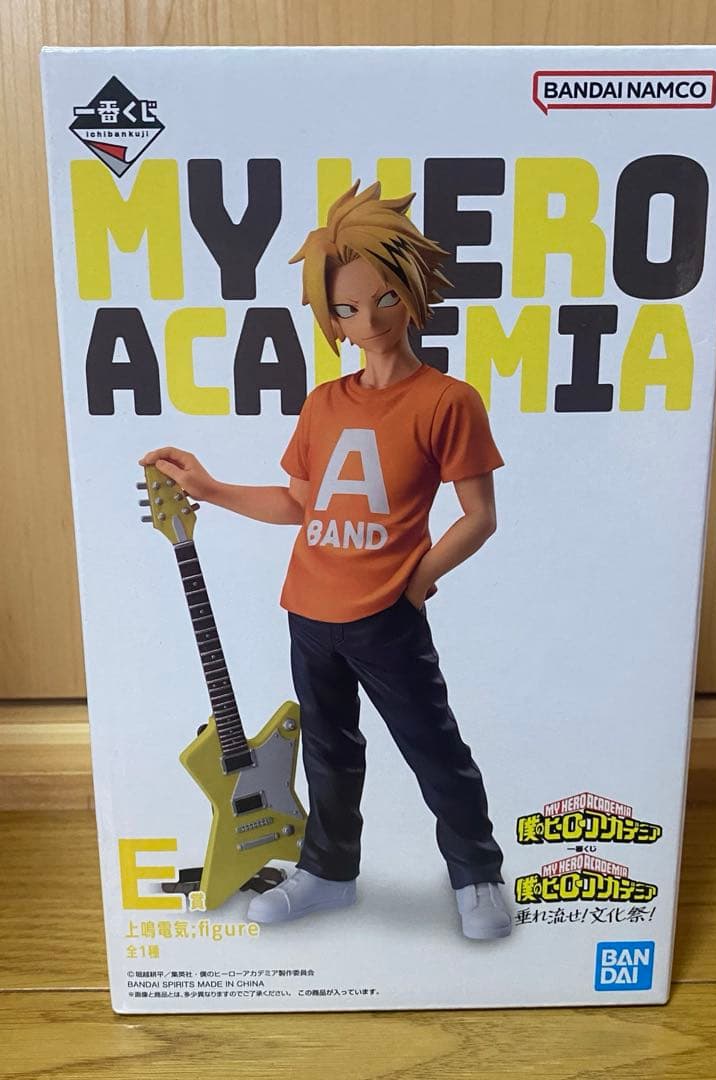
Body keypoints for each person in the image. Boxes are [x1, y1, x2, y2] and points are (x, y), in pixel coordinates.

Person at [140, 180, 511, 939]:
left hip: (385, 615)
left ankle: (477, 875)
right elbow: (297, 503)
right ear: (326, 314)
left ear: (411, 290)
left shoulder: (448, 400)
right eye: (345, 308)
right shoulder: (324, 402)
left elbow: (479, 517)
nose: (367, 321)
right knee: (327, 754)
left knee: (433, 748)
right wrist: (210, 487)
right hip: (308, 611)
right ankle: (328, 872)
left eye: (384, 299)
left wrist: (417, 580)